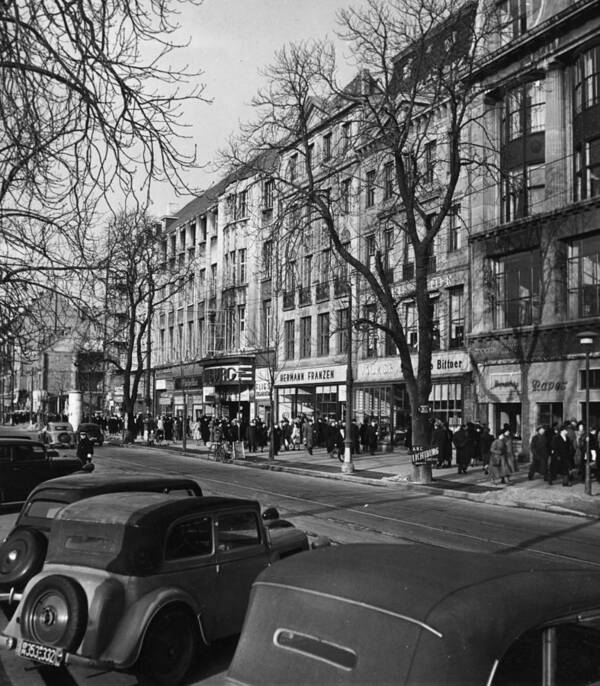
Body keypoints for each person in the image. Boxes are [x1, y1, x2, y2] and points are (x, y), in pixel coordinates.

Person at [551, 422, 575, 487]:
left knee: (566, 469)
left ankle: (565, 482)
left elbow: (569, 446)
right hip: (558, 456)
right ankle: (550, 479)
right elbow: (554, 447)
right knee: (555, 469)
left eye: (566, 430)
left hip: (566, 456)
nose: (566, 432)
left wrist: (571, 453)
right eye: (565, 430)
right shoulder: (556, 438)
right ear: (562, 431)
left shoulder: (567, 438)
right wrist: (557, 455)